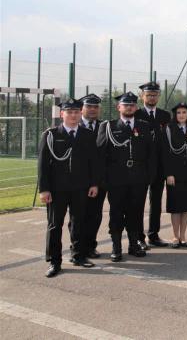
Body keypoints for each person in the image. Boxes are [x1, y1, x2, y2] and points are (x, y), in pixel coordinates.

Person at [38, 98, 101, 278]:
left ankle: (78, 255)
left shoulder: (87, 134)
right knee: (54, 225)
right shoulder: (51, 135)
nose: (73, 115)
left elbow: (93, 162)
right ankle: (54, 261)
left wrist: (94, 183)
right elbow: (43, 165)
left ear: (80, 113)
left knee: (78, 222)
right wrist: (44, 189)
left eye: (76, 112)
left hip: (80, 187)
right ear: (62, 114)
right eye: (69, 112)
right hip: (57, 189)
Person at [96, 92, 157, 262]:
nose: (129, 107)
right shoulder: (108, 127)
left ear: (136, 107)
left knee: (135, 213)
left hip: (138, 179)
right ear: (119, 107)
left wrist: (150, 176)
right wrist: (103, 179)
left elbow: (151, 154)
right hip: (116, 179)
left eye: (132, 105)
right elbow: (100, 155)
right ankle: (116, 247)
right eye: (126, 105)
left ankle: (133, 245)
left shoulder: (144, 126)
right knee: (116, 213)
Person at [134, 81, 171, 249]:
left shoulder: (165, 116)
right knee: (138, 203)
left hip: (159, 166)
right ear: (142, 96)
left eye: (154, 95)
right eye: (148, 95)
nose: (151, 98)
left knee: (156, 203)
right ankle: (138, 237)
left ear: (158, 96)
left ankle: (153, 235)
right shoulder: (136, 114)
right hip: (141, 166)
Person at [163, 103, 187, 248]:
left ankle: (183, 236)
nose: (181, 115)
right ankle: (175, 236)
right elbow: (165, 153)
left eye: (184, 112)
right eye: (178, 112)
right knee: (176, 206)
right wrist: (169, 173)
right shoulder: (169, 129)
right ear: (175, 115)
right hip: (175, 174)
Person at [76, 93, 104, 259]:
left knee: (95, 215)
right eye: (89, 106)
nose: (93, 109)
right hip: (78, 180)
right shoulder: (74, 125)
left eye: (95, 107)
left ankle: (91, 246)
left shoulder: (104, 126)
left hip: (99, 180)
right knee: (78, 216)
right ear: (82, 108)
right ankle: (78, 248)